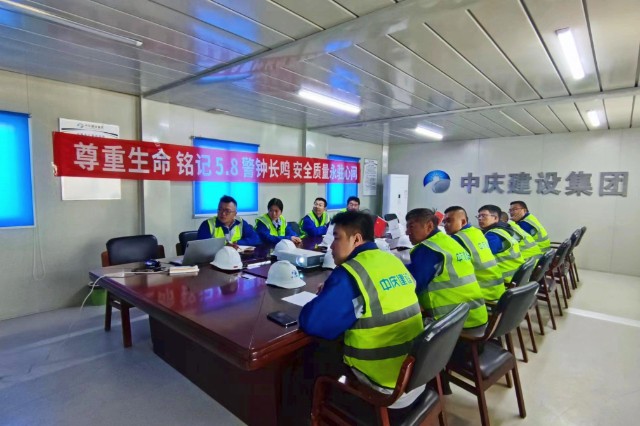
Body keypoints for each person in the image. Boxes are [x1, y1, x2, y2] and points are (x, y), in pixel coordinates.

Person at [300, 211, 424, 406]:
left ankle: (308, 414)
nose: (331, 246)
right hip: (415, 375)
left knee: (307, 356)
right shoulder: (392, 260)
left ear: (356, 239)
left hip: (382, 383)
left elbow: (313, 323)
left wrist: (329, 294)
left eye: (337, 238)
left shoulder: (350, 273)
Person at [405, 208, 488, 329]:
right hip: (475, 315)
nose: (407, 232)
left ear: (429, 226)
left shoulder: (428, 249)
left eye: (411, 227)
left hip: (452, 324)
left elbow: (412, 286)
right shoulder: (448, 242)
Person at [443, 206, 505, 302]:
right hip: (497, 287)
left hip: (484, 291)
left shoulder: (457, 239)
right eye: (444, 222)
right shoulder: (476, 232)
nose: (445, 225)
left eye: (449, 221)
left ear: (463, 221)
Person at [476, 205, 524, 284]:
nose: (480, 218)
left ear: (495, 218)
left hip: (506, 279)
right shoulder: (502, 230)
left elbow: (483, 256)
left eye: (484, 216)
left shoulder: (493, 235)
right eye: (479, 216)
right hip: (517, 275)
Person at [196, 195, 261, 246]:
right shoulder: (207, 224)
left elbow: (255, 239)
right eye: (220, 210)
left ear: (235, 214)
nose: (223, 213)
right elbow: (203, 247)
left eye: (227, 211)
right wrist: (226, 246)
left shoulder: (240, 223)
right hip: (216, 258)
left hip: (237, 257)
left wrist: (236, 243)